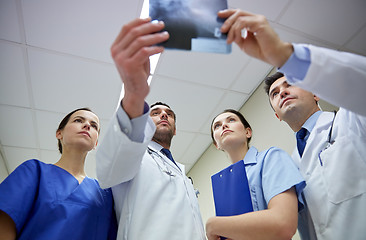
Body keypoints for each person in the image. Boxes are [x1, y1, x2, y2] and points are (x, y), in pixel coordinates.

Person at [218, 8, 366, 240]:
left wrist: (285, 55)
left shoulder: (351, 121)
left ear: (316, 92)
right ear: (277, 115)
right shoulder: (290, 164)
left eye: (290, 83)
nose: (282, 92)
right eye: (275, 94)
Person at [95, 18, 205, 239]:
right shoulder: (134, 156)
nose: (164, 115)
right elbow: (108, 169)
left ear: (175, 129)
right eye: (155, 113)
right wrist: (134, 95)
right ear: (144, 123)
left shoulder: (181, 171)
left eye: (169, 114)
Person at [0, 108, 117, 240]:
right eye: (78, 120)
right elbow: (4, 222)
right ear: (59, 133)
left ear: (95, 144)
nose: (87, 125)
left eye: (94, 125)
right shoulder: (35, 171)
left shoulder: (105, 194)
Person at [206, 109, 305, 240]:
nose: (224, 125)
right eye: (217, 126)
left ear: (248, 132)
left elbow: (283, 223)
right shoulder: (223, 187)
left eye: (231, 120)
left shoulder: (271, 157)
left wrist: (213, 225)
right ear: (216, 144)